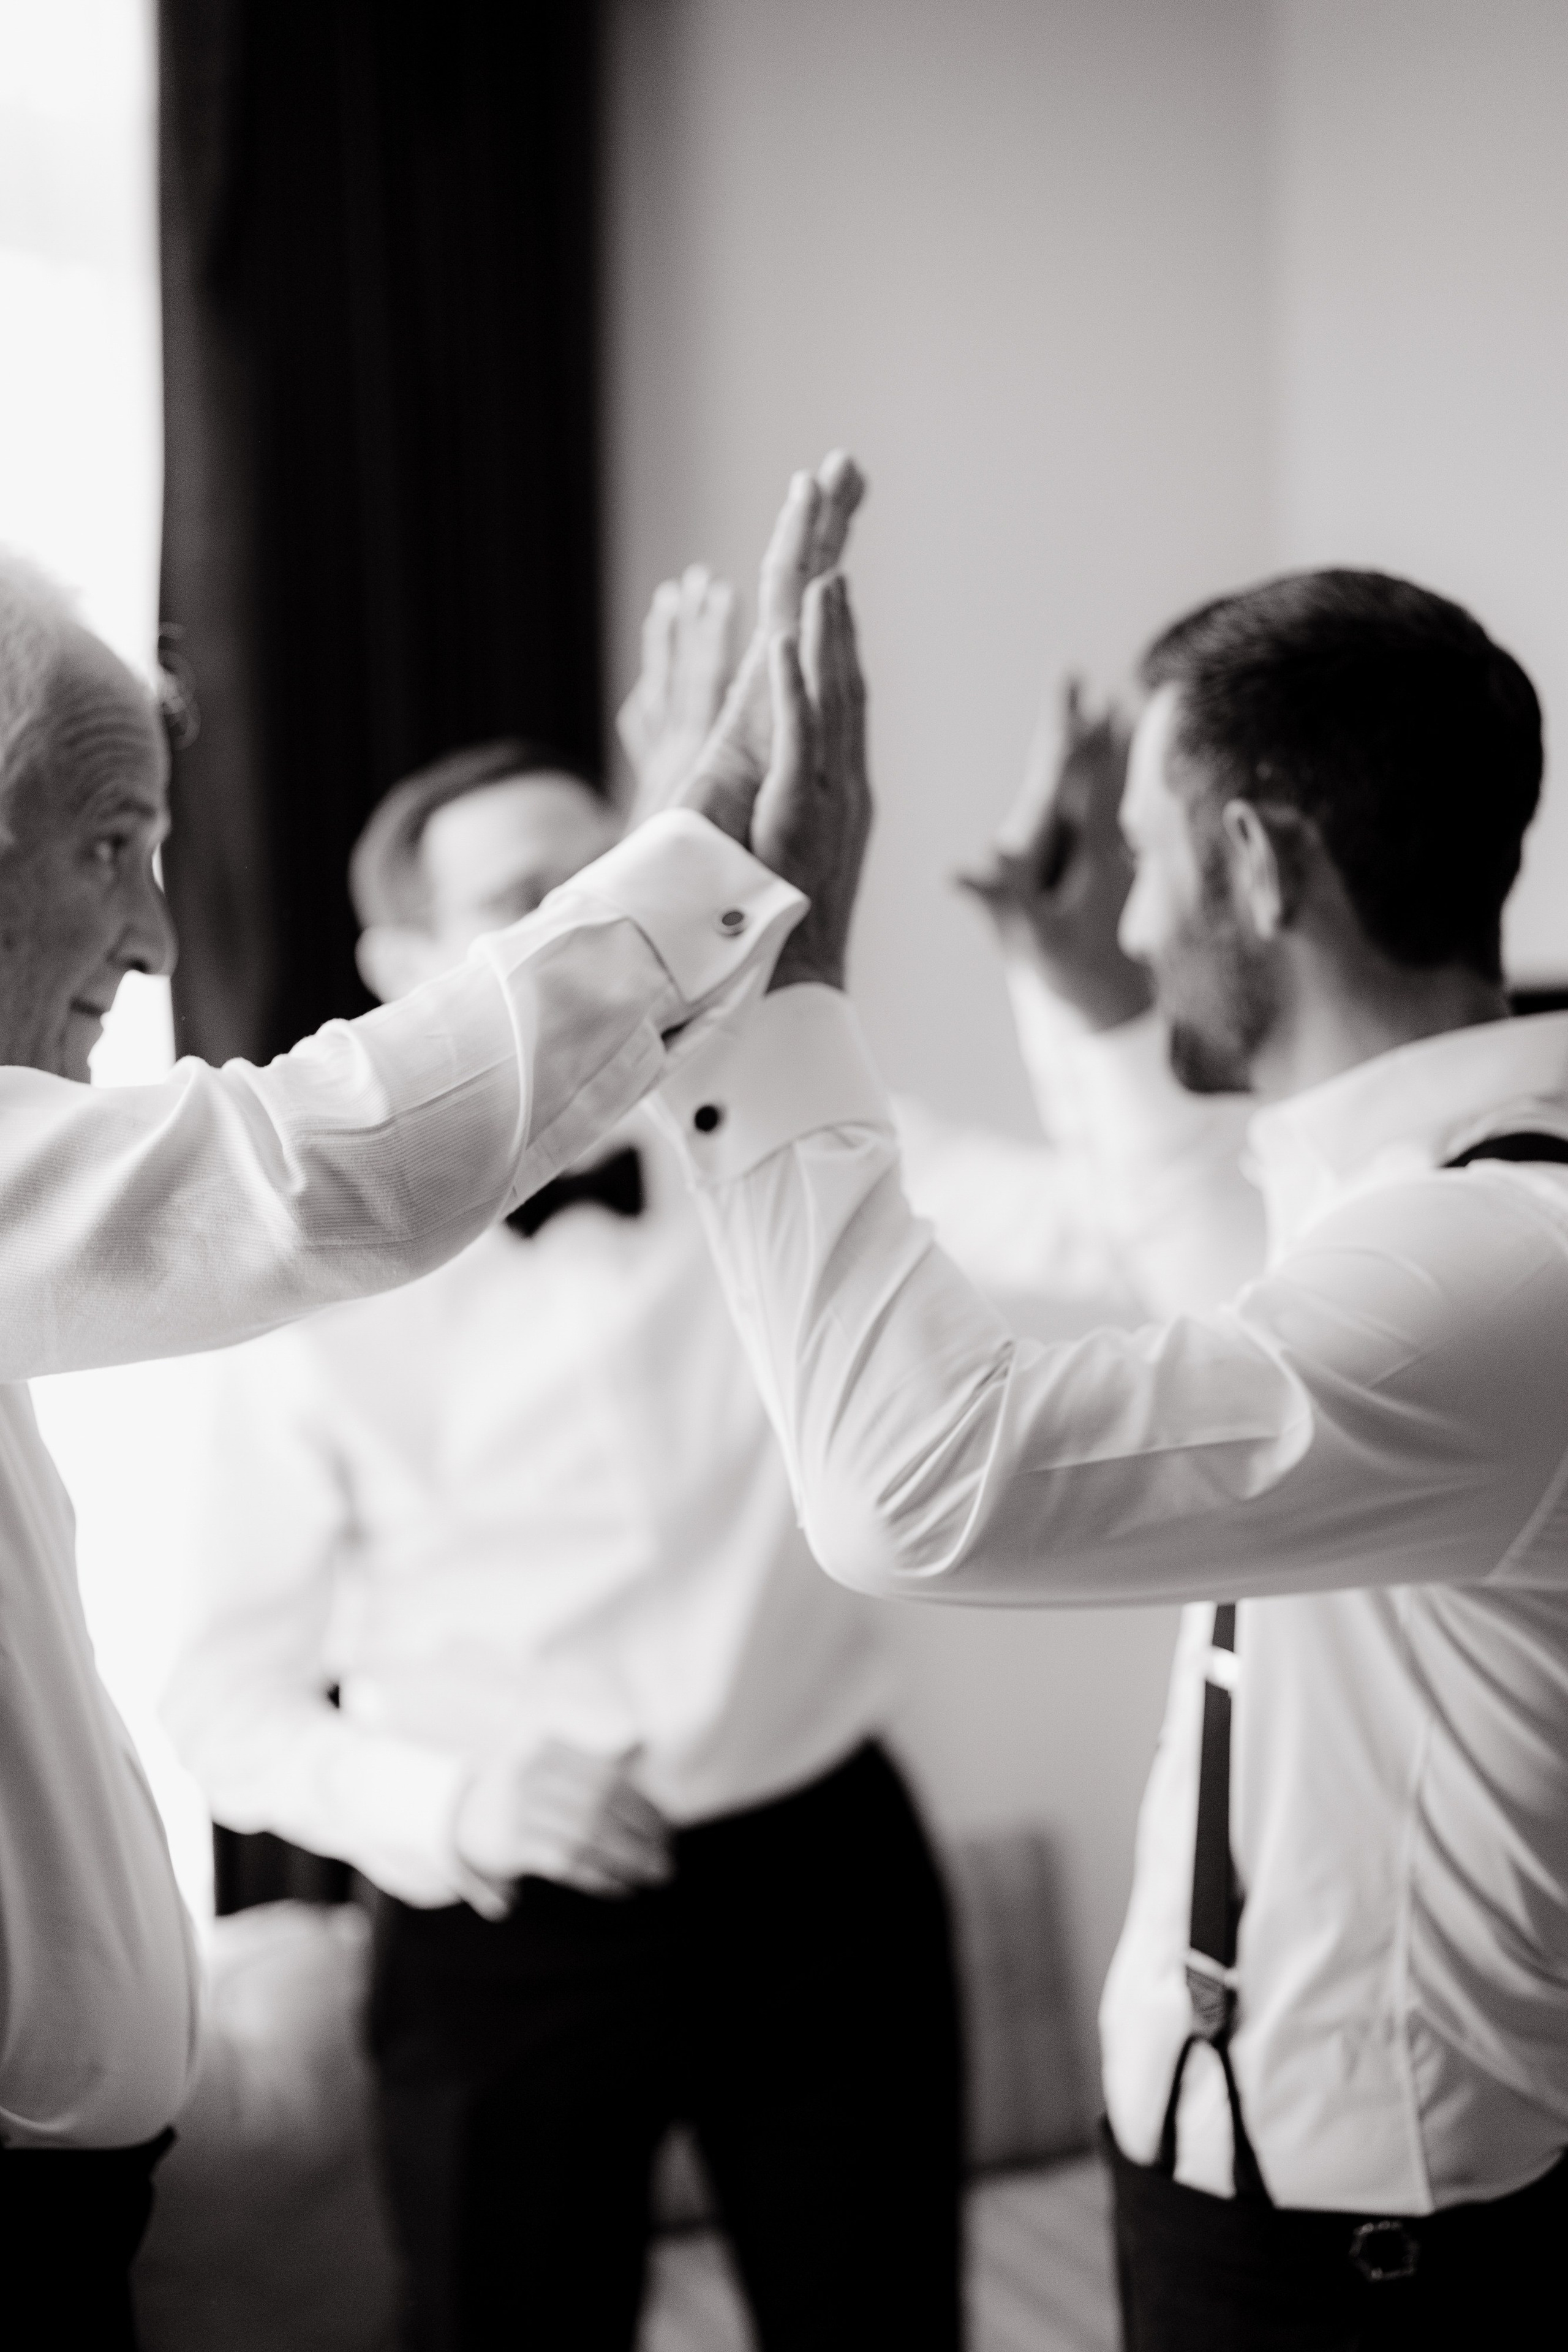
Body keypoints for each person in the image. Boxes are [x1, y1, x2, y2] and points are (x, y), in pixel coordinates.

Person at [652, 559, 1568, 2347]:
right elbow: (1200, 1264)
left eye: (1149, 865)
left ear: (1252, 859)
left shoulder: (1495, 1265)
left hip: (1383, 2253)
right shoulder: (1396, 1215)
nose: (1137, 928)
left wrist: (782, 974)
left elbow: (913, 1486)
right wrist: (1070, 991)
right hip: (1216, 2163)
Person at [0, 461, 854, 2348]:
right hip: (498, 1967)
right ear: (416, 977)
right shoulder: (202, 1251)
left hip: (822, 1890)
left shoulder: (767, 1146)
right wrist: (702, 841)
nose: (153, 942)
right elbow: (318, 1178)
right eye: (107, 847)